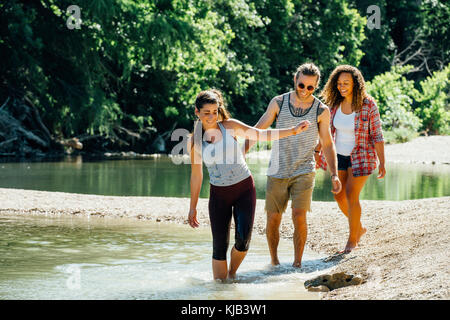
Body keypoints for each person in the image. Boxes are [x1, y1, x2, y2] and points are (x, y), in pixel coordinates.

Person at [187, 89, 311, 281]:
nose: (211, 116)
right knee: (219, 246)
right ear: (197, 112)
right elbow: (196, 175)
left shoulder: (230, 126)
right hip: (219, 195)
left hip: (244, 189)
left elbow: (261, 134)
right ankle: (221, 289)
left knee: (243, 241)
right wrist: (192, 207)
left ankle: (232, 274)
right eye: (206, 113)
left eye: (215, 111)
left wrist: (293, 131)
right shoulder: (194, 140)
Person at [243, 63, 342, 268]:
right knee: (273, 218)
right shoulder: (278, 102)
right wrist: (242, 151)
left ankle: (297, 264)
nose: (304, 90)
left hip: (304, 169)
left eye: (310, 87)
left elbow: (327, 143)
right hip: (277, 168)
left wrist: (334, 174)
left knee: (299, 215)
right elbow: (260, 128)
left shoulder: (321, 110)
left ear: (316, 87)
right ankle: (274, 262)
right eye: (301, 85)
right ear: (295, 80)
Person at [315, 65, 386, 253]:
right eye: (339, 83)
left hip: (361, 156)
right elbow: (326, 132)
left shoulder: (368, 105)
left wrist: (382, 162)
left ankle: (352, 240)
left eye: (346, 83)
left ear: (356, 83)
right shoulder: (334, 105)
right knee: (338, 195)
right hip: (338, 157)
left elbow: (377, 135)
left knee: (351, 194)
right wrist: (317, 151)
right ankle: (359, 228)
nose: (342, 86)